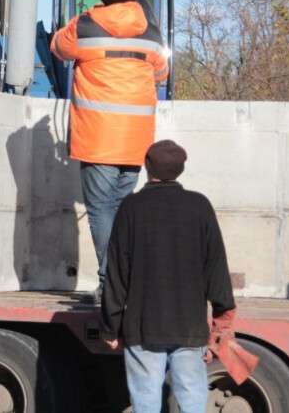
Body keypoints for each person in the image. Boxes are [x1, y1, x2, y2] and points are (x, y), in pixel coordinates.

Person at [50, 0, 169, 301]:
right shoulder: (151, 31)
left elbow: (58, 46)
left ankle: (111, 285)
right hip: (136, 140)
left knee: (101, 210)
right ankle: (123, 282)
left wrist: (77, 18)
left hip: (98, 137)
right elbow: (162, 71)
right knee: (118, 210)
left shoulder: (86, 25)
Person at [101, 139, 236, 413]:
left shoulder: (131, 208)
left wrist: (110, 326)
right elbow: (216, 267)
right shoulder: (200, 206)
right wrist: (222, 317)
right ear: (181, 170)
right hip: (189, 327)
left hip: (142, 327)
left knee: (146, 401)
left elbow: (116, 273)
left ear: (147, 167)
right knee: (192, 400)